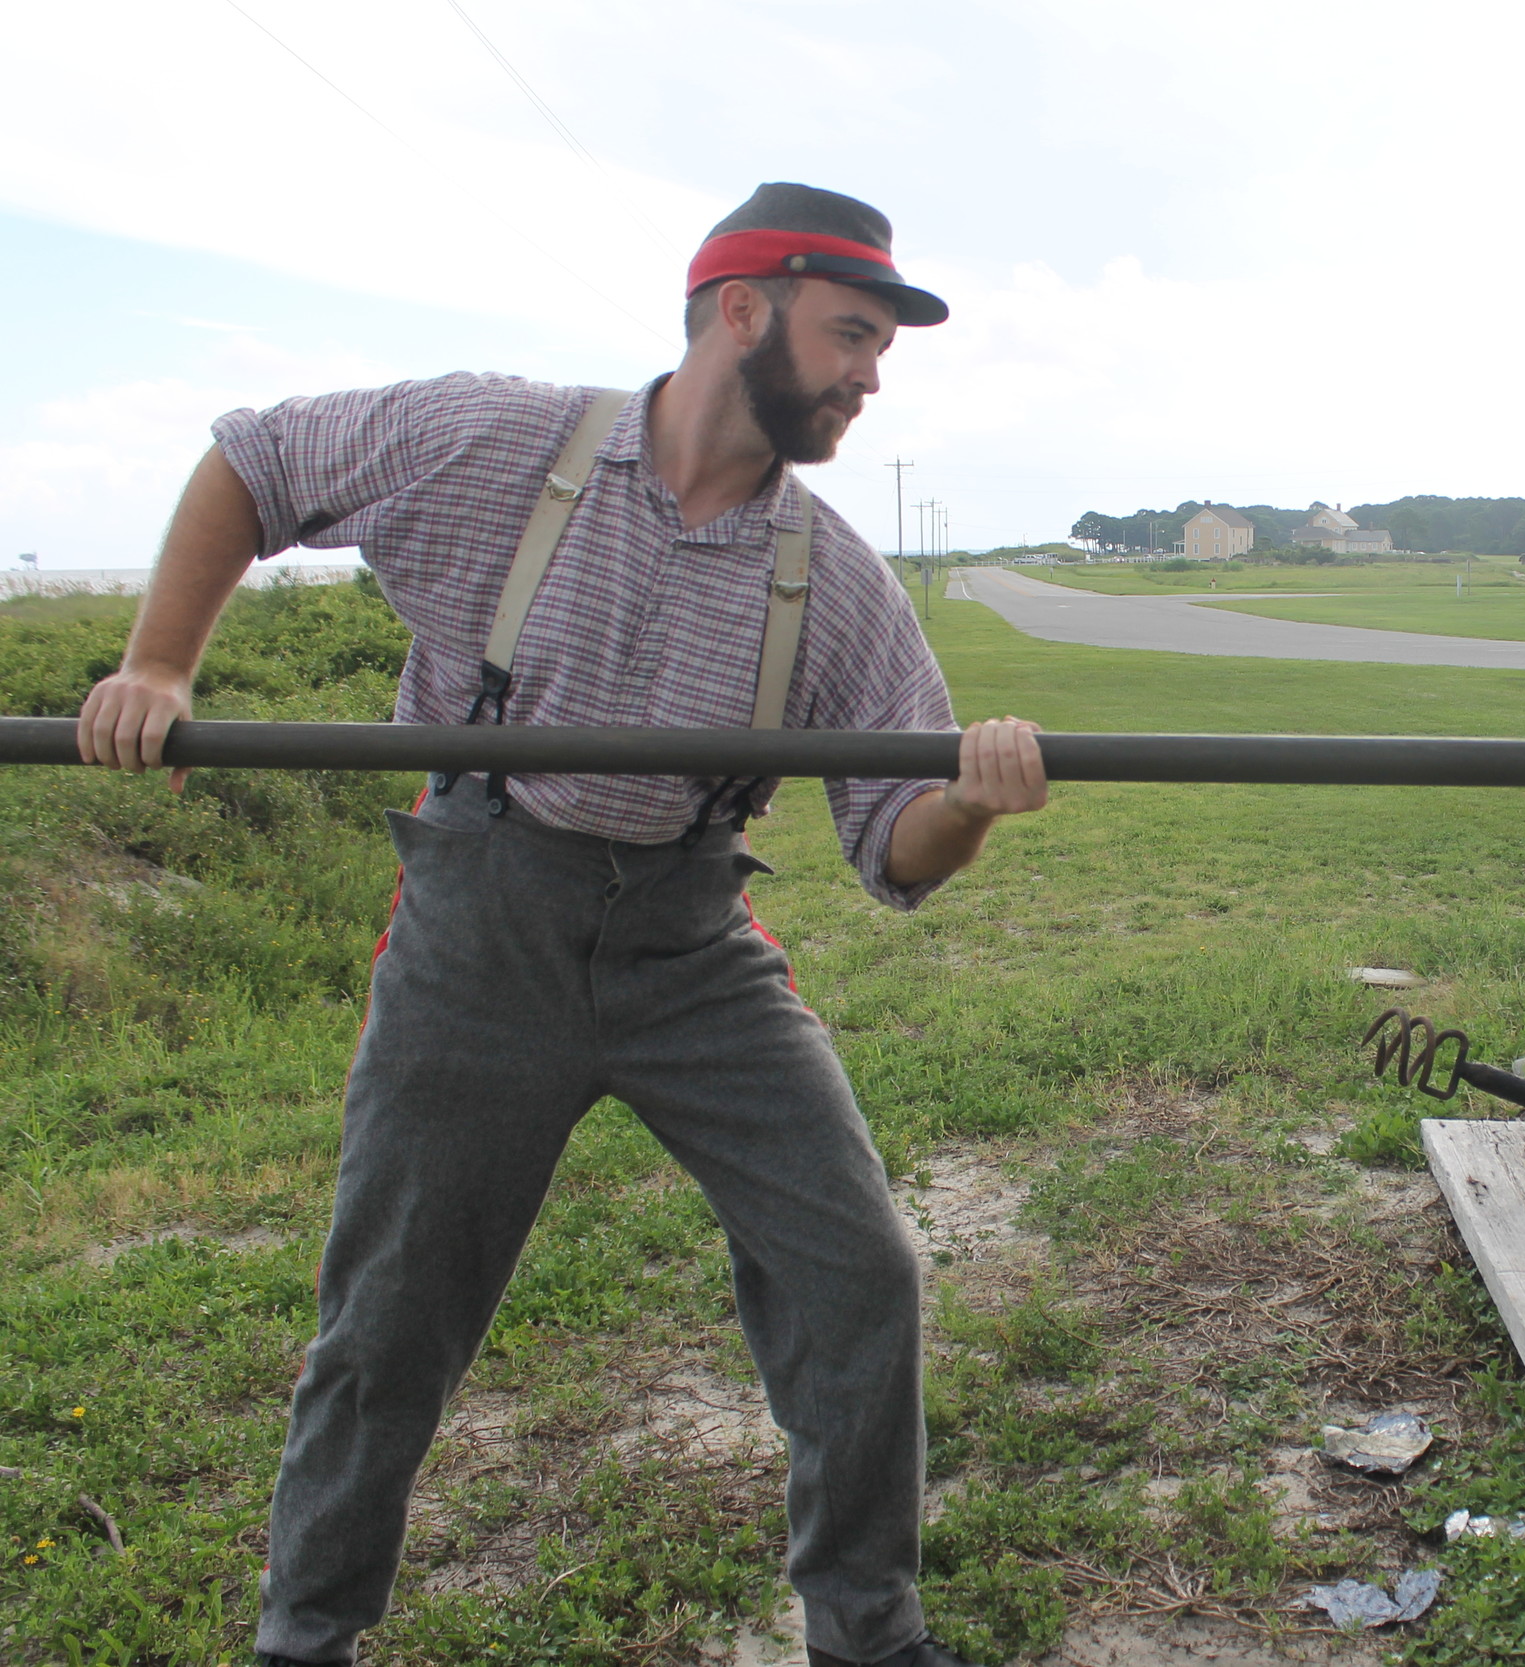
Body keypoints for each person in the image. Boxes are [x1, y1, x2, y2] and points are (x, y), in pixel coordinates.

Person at [76, 183, 1034, 1667]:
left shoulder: (834, 580)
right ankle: (304, 1638)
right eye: (851, 333)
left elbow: (889, 850)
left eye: (879, 348)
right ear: (741, 309)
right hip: (481, 930)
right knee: (389, 1315)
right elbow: (252, 462)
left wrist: (968, 797)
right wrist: (159, 666)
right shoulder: (492, 444)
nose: (869, 374)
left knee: (864, 1272)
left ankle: (868, 1630)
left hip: (688, 946)